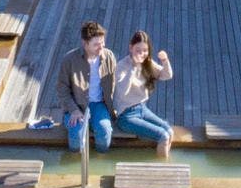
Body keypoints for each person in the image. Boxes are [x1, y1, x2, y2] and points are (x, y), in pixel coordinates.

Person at [55, 20, 116, 152]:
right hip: (77, 105)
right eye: (96, 44)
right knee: (77, 134)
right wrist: (73, 110)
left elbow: (116, 83)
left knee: (105, 131)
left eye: (102, 43)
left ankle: (100, 159)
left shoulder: (109, 56)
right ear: (85, 43)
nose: (101, 47)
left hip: (99, 104)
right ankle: (74, 161)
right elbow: (62, 89)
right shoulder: (69, 60)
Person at [112, 30, 174, 158]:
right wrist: (133, 68)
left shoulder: (147, 63)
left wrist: (165, 60)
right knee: (163, 136)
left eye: (145, 50)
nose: (142, 54)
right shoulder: (122, 66)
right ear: (131, 48)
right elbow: (122, 92)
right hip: (125, 116)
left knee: (169, 131)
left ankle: (164, 158)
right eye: (138, 50)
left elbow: (166, 75)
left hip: (142, 108)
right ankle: (161, 165)